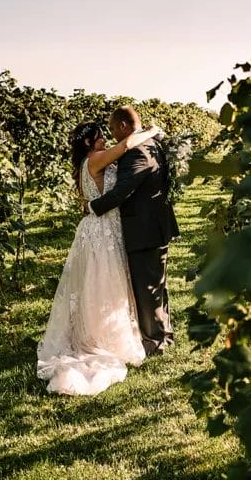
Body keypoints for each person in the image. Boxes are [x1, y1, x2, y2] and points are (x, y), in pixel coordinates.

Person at [36, 120, 164, 396]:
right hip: (102, 229)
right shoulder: (94, 159)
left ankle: (98, 332)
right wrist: (152, 131)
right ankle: (103, 338)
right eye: (99, 136)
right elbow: (127, 144)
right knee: (105, 284)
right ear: (88, 143)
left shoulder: (89, 162)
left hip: (100, 227)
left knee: (99, 285)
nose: (104, 139)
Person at [82, 106, 180, 356]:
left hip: (144, 229)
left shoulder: (136, 151)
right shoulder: (153, 144)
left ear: (124, 126)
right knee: (157, 284)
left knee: (147, 289)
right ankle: (164, 334)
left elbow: (123, 190)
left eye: (113, 129)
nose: (112, 135)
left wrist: (92, 206)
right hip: (155, 225)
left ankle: (156, 342)